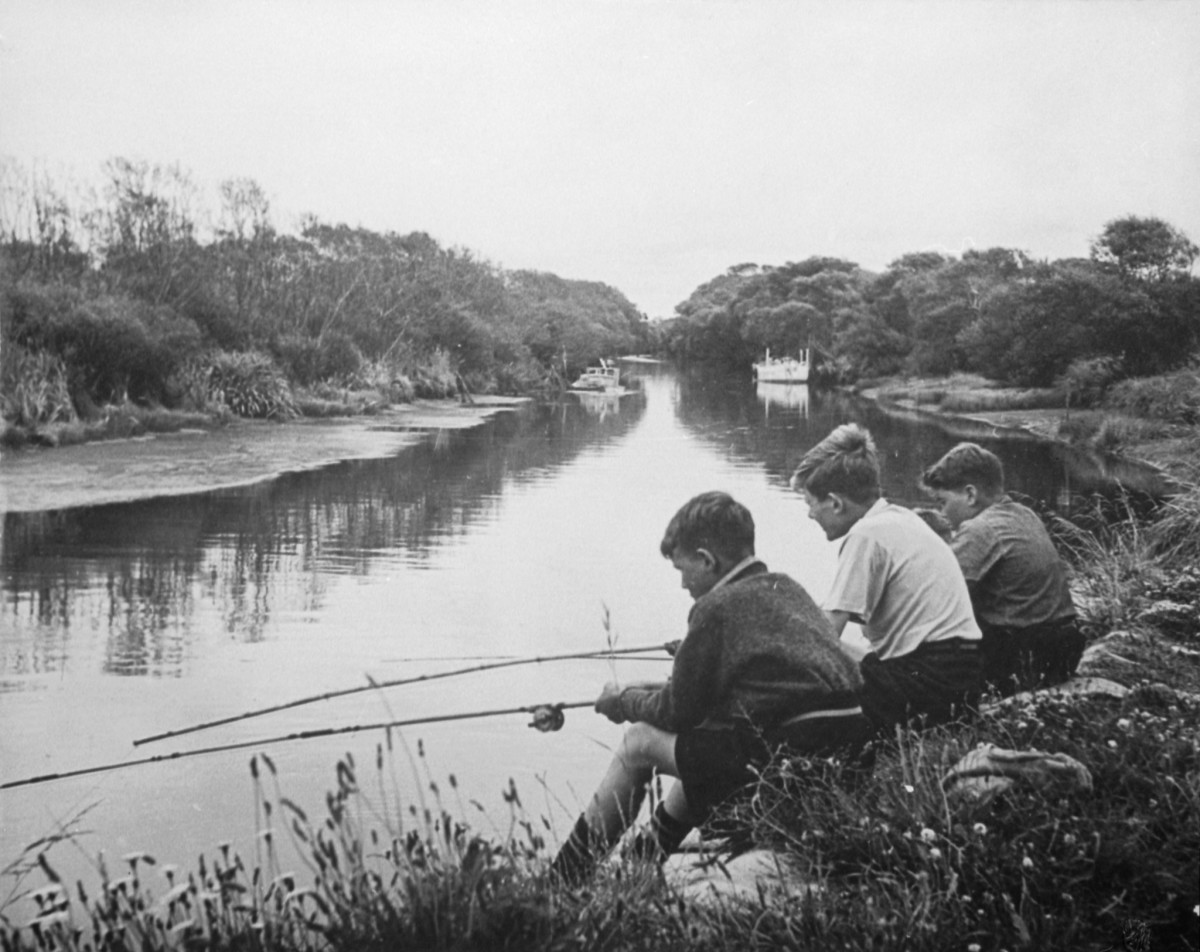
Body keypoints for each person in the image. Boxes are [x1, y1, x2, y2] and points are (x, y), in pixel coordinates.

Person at [549, 491, 868, 886]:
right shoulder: (788, 589)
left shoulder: (715, 607)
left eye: (683, 570)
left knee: (640, 743)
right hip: (846, 750)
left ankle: (565, 877)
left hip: (790, 756)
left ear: (706, 560)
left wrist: (624, 702)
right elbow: (711, 699)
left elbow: (678, 712)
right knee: (706, 743)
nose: (683, 583)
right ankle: (643, 858)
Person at [790, 424, 983, 733]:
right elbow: (833, 621)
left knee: (799, 697)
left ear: (836, 503)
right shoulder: (899, 519)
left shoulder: (866, 536)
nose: (810, 515)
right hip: (958, 674)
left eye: (810, 504)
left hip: (931, 679)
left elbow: (824, 637)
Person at [920, 442, 1084, 696]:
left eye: (942, 502)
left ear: (971, 495)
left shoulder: (980, 528)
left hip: (1024, 655)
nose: (942, 514)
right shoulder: (1025, 513)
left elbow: (936, 598)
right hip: (1064, 648)